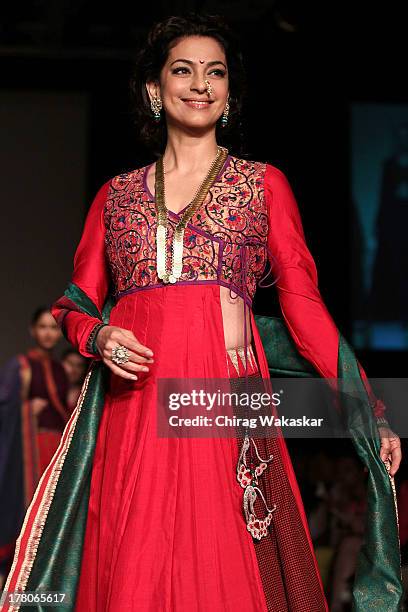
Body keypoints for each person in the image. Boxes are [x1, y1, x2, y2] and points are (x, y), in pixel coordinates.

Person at [2, 14, 402, 612]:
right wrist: (101, 333)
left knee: (219, 565)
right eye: (182, 70)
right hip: (132, 407)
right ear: (153, 90)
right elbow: (75, 304)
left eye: (215, 73)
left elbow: (303, 305)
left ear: (230, 94)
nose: (199, 84)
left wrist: (365, 405)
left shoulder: (264, 185)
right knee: (132, 565)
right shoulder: (117, 196)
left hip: (222, 403)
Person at [0, 307, 70, 589]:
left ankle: (39, 585)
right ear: (32, 330)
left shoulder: (61, 370)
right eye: (43, 327)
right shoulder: (21, 365)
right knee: (24, 509)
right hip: (28, 450)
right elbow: (3, 406)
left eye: (53, 328)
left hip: (54, 450)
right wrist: (27, 409)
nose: (48, 333)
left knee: (48, 515)